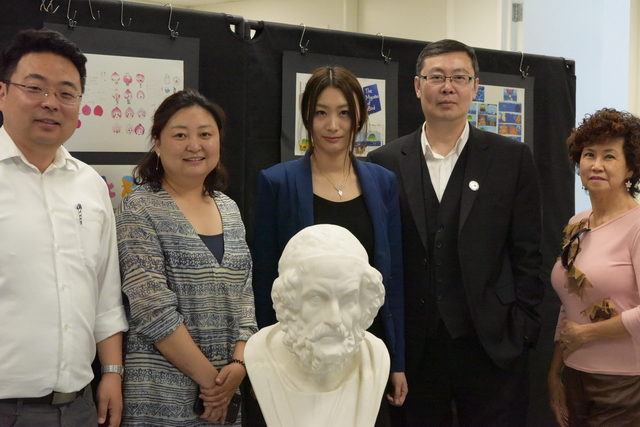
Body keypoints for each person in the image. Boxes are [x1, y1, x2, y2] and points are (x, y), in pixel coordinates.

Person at [367, 39, 543, 426]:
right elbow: (380, 260)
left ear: (475, 87)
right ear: (417, 86)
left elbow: (529, 253)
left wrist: (523, 329)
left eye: (459, 77)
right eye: (437, 77)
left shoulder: (511, 159)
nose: (448, 87)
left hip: (492, 345)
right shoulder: (384, 163)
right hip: (415, 352)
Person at [253, 65, 407, 415]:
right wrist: (266, 359)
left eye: (344, 113)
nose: (333, 125)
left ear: (358, 118)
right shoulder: (277, 183)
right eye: (321, 113)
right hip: (300, 350)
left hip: (363, 349)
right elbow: (265, 280)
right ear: (307, 117)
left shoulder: (382, 182)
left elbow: (392, 276)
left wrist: (397, 360)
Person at [0, 29, 128, 426]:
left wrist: (112, 373)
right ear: (2, 93)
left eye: (66, 93)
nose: (51, 103)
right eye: (34, 87)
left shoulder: (90, 184)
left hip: (79, 407)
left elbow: (105, 293)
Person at [116, 89, 257, 426]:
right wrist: (213, 385)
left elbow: (246, 297)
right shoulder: (139, 207)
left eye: (205, 134)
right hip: (161, 395)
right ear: (158, 143)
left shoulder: (229, 208)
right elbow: (153, 310)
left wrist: (240, 364)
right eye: (180, 135)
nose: (195, 145)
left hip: (225, 395)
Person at [548, 108, 640, 426]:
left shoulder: (637, 226)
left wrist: (587, 334)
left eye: (609, 156)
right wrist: (555, 373)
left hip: (626, 386)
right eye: (589, 154)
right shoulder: (578, 222)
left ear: (631, 168)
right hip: (576, 376)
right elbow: (570, 301)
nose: (596, 165)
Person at [246, 224, 389, 427]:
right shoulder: (259, 355)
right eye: (316, 299)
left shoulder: (374, 358)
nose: (335, 319)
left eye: (348, 299)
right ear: (289, 302)